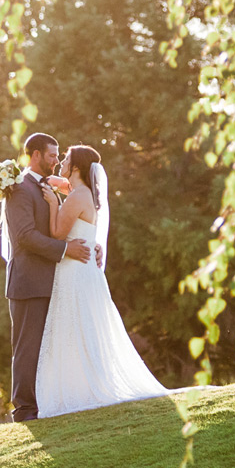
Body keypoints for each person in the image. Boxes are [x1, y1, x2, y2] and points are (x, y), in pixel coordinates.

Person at [34, 144, 171, 417]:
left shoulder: (76, 197)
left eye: (67, 160)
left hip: (74, 270)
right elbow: (61, 184)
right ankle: (83, 383)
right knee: (83, 325)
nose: (61, 162)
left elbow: (58, 233)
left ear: (75, 168)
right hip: (84, 270)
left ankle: (82, 389)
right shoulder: (82, 193)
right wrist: (54, 185)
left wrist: (52, 204)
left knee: (74, 325)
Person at [2, 132, 96, 422]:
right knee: (27, 347)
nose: (57, 161)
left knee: (47, 348)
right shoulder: (19, 188)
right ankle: (25, 411)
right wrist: (66, 249)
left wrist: (93, 245)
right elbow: (25, 237)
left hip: (52, 281)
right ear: (35, 155)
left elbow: (70, 222)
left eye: (59, 156)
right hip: (29, 283)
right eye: (52, 155)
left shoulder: (48, 188)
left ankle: (46, 404)